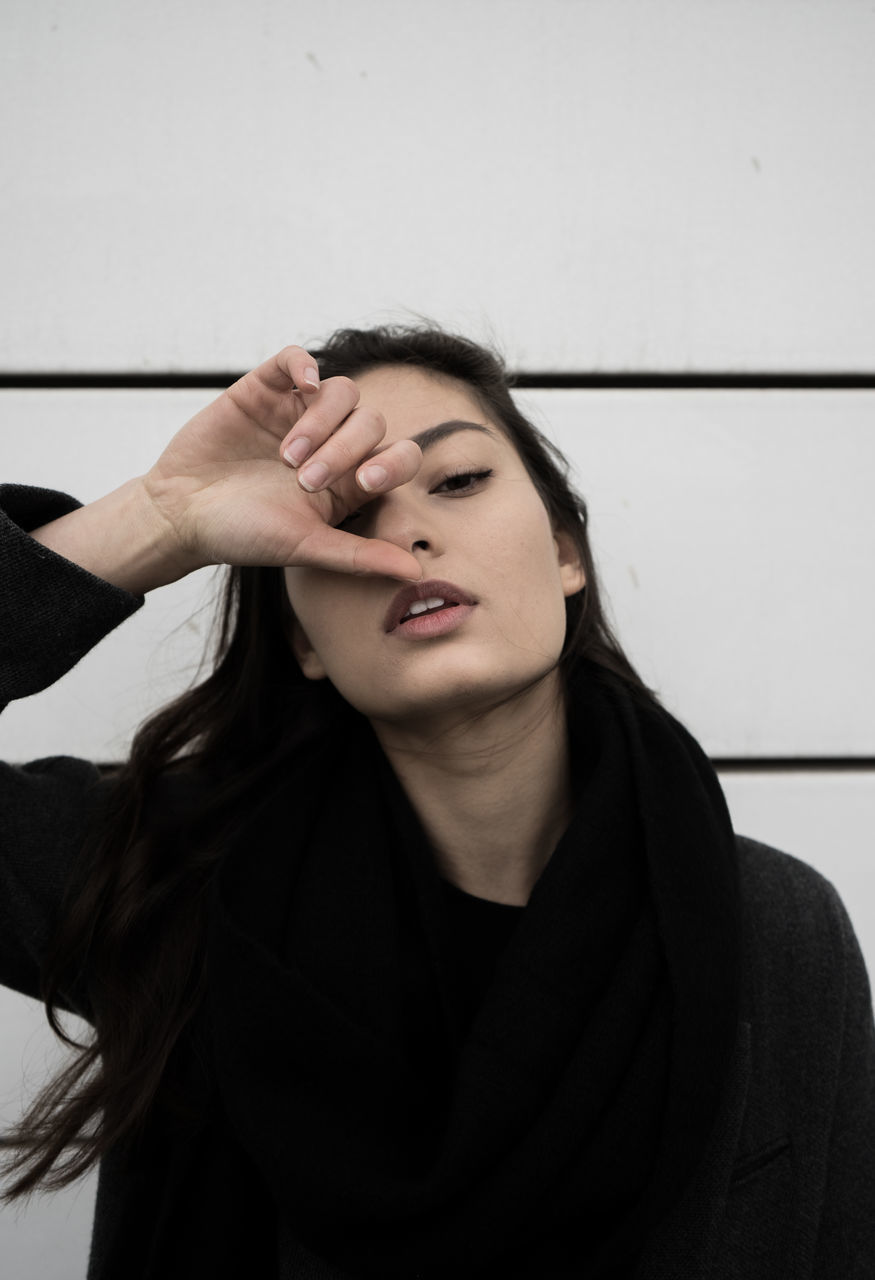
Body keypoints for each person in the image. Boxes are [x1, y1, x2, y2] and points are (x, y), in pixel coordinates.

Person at [1, 324, 873, 1280]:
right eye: (339, 513)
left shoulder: (773, 931)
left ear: (566, 551)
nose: (409, 534)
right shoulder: (161, 876)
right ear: (300, 643)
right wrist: (158, 519)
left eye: (457, 481)